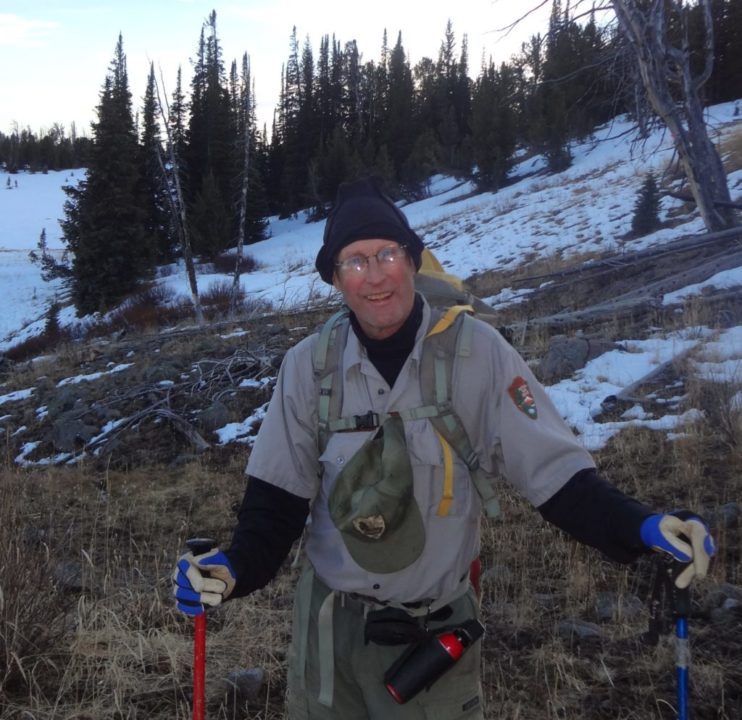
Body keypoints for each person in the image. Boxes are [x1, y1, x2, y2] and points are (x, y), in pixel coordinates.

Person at [174, 176, 716, 719]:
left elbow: (558, 479)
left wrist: (641, 527)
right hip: (327, 642)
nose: (375, 275)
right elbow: (277, 501)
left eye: (386, 254)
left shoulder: (478, 354)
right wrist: (234, 568)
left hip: (433, 640)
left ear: (412, 260)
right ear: (335, 279)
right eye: (355, 262)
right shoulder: (308, 366)